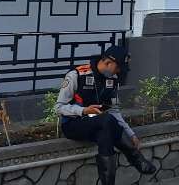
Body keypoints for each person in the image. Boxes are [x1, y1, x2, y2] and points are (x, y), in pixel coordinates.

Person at [56, 46, 157, 185]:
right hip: (73, 124)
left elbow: (114, 110)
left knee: (105, 132)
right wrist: (84, 111)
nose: (119, 71)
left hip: (99, 124)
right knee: (106, 120)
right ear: (108, 62)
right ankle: (136, 158)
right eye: (118, 67)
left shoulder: (113, 79)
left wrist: (131, 134)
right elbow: (59, 108)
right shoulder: (77, 74)